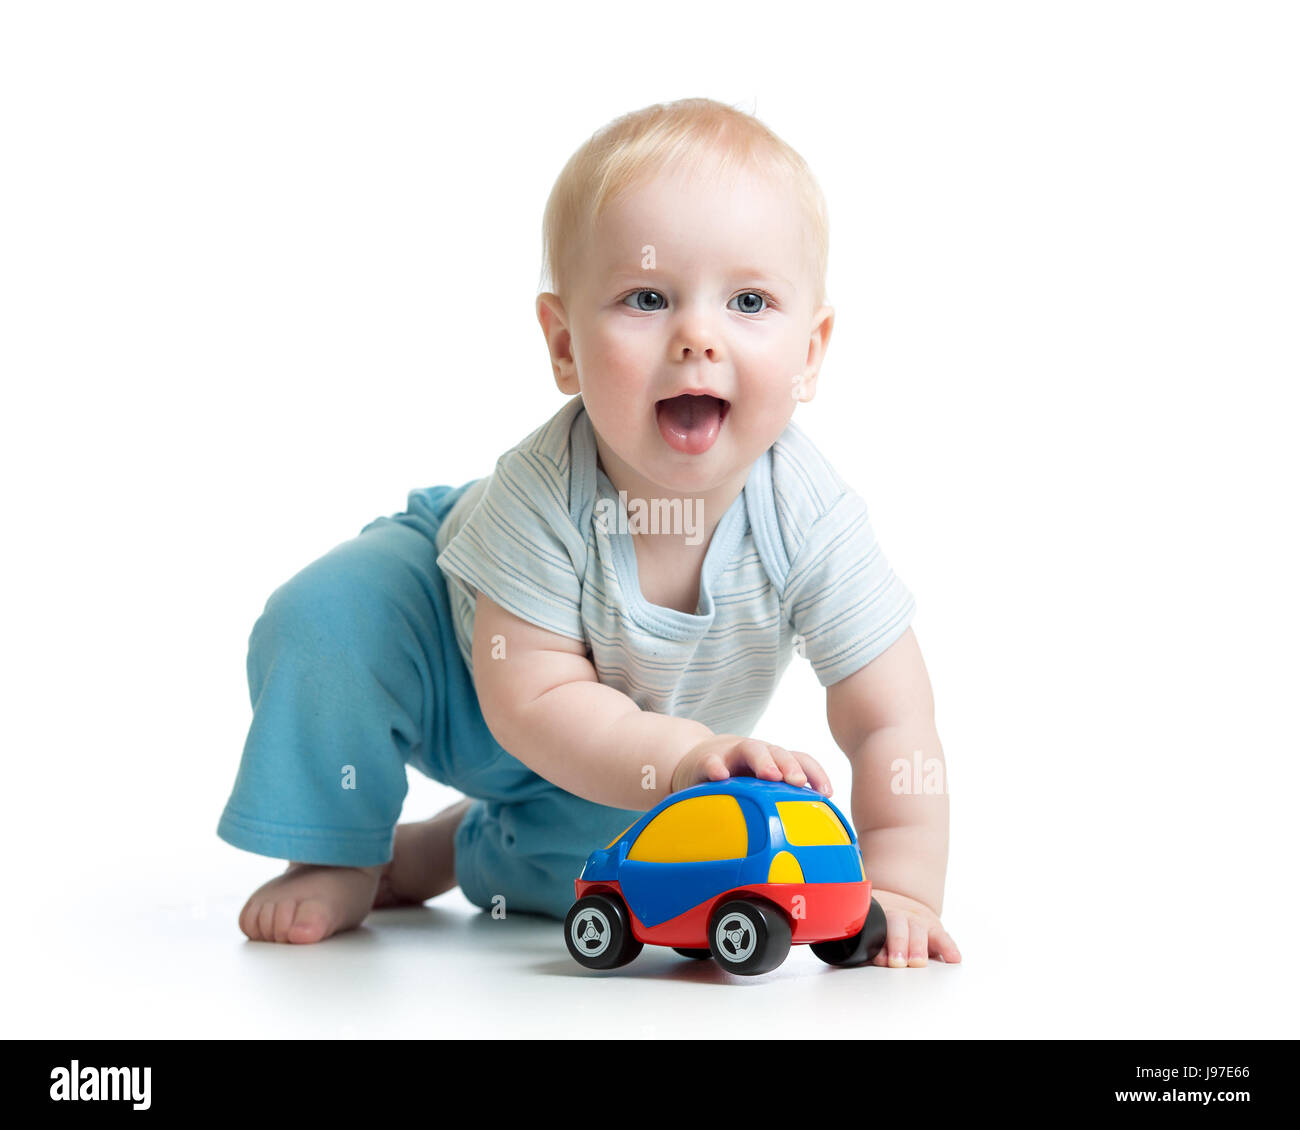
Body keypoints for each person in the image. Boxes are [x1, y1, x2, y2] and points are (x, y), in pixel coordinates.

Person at [218, 96, 960, 968]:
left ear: (812, 352)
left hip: (631, 740)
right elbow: (530, 699)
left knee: (606, 879)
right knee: (328, 621)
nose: (697, 337)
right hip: (460, 648)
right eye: (647, 297)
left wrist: (900, 881)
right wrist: (683, 754)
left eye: (750, 300)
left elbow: (891, 718)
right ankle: (340, 850)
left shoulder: (812, 517)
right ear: (564, 344)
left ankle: (444, 853)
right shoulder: (547, 488)